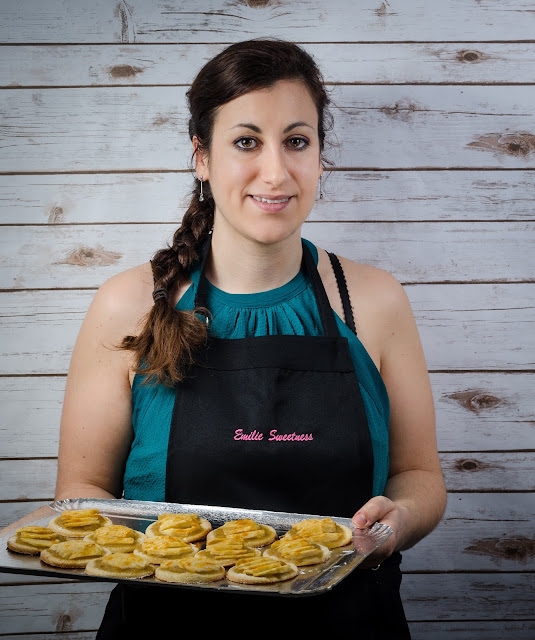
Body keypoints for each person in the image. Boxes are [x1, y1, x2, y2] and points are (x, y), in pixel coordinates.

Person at [54, 38, 446, 637]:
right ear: (201, 157)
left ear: (318, 156)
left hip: (350, 625)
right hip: (167, 627)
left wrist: (398, 523)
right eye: (245, 142)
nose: (276, 171)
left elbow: (420, 477)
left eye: (296, 141)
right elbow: (81, 491)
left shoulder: (373, 300)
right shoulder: (128, 304)